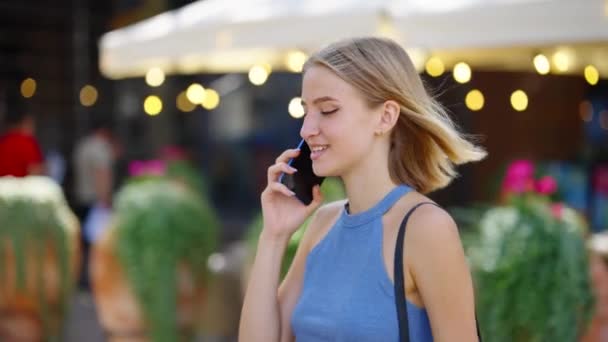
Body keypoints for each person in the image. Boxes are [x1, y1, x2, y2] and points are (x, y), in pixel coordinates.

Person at [239, 37, 487, 341]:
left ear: (385, 117)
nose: (306, 129)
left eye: (327, 110)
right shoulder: (322, 225)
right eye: (306, 111)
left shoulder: (425, 227)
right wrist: (274, 237)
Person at [0, 102, 45, 177]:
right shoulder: (27, 142)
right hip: (21, 187)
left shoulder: (2, 141)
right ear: (25, 122)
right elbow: (35, 171)